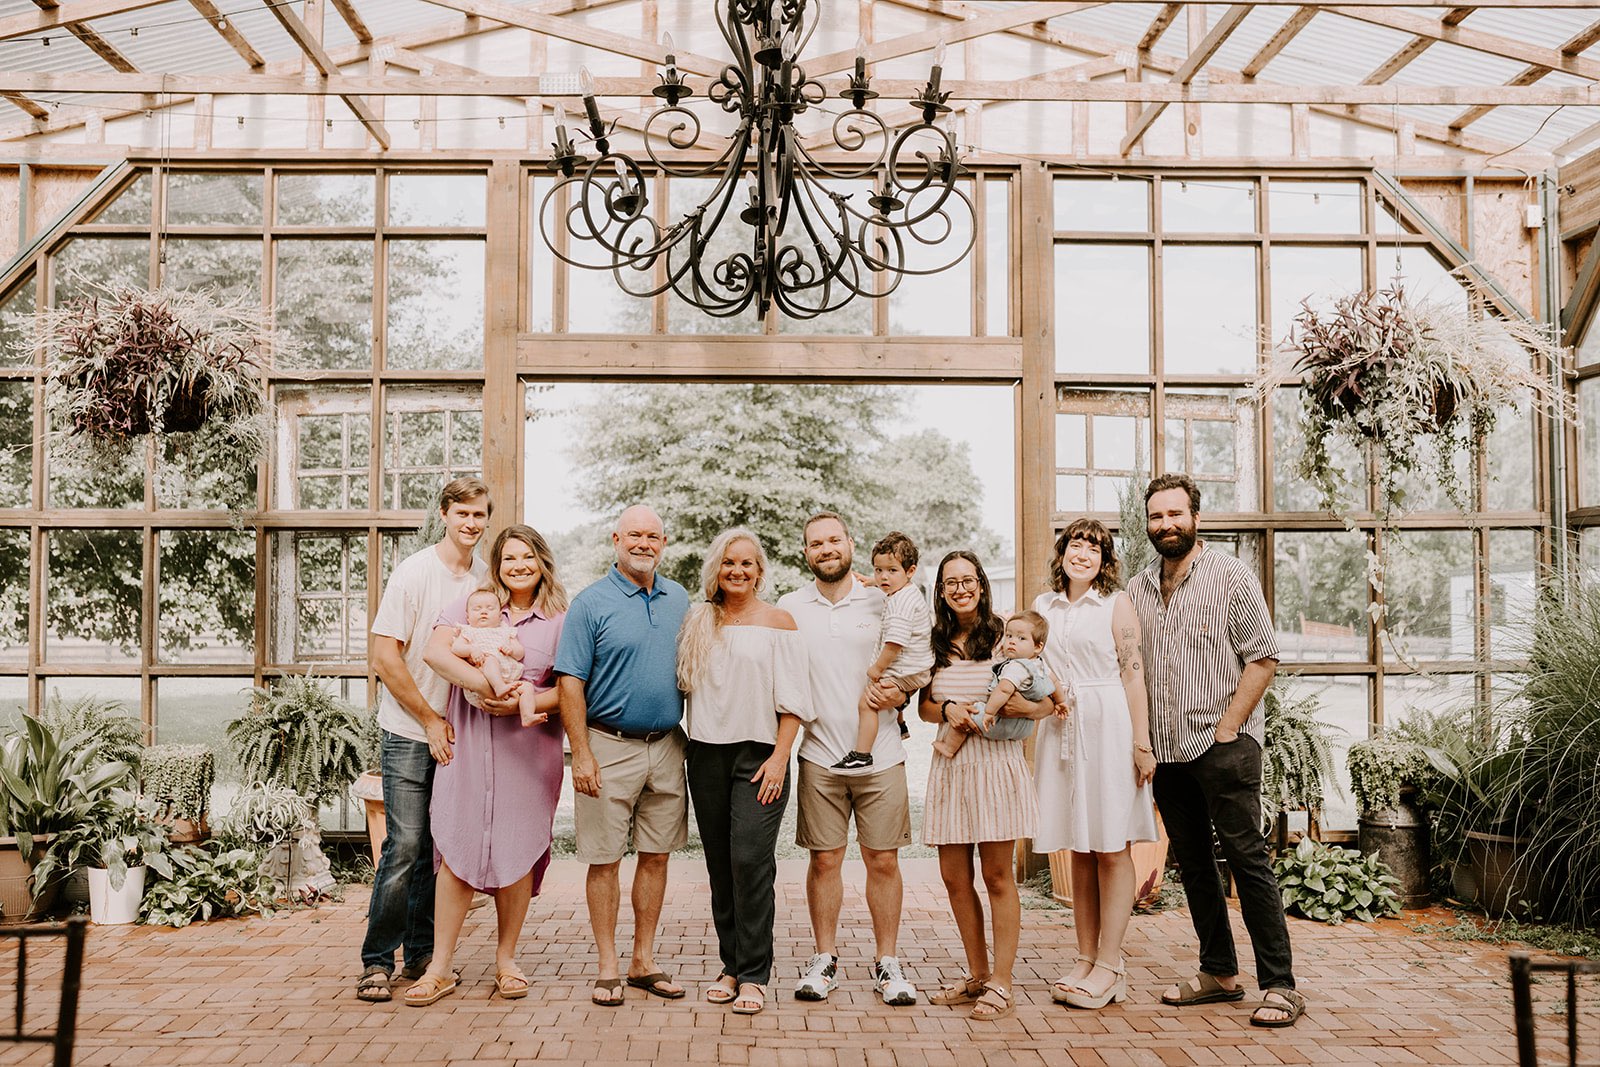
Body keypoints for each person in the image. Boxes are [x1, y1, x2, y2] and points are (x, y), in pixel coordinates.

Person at [1129, 473, 1304, 1028]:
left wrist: (1230, 726)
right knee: (1195, 867)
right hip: (1168, 752)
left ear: (1196, 517)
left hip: (1222, 744)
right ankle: (1220, 973)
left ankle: (1280, 985)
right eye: (1156, 517)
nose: (1166, 525)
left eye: (1175, 514)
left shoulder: (1229, 574)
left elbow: (1263, 656)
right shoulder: (1137, 589)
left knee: (1247, 861)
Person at [403, 525, 568, 1006]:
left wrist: (532, 696)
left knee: (518, 852)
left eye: (527, 557)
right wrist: (483, 683)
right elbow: (435, 652)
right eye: (509, 558)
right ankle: (439, 968)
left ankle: (506, 960)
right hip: (469, 750)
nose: (518, 566)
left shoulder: (561, 619)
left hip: (528, 754)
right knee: (454, 849)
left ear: (542, 562)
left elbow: (574, 688)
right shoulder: (473, 605)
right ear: (496, 565)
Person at [356, 477, 496, 1004]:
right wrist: (431, 720)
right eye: (462, 513)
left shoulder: (485, 578)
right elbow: (384, 658)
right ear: (444, 514)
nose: (471, 523)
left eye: (480, 515)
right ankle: (376, 960)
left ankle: (419, 954)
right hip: (411, 730)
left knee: (437, 851)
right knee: (405, 844)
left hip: (460, 733)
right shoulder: (414, 573)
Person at [777, 512, 919, 1007]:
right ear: (806, 552)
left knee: (883, 860)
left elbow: (916, 659)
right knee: (824, 859)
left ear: (850, 544)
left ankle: (888, 962)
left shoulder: (886, 598)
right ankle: (824, 959)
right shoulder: (791, 606)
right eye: (816, 543)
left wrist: (899, 692)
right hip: (818, 755)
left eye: (834, 540)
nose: (826, 549)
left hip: (881, 755)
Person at [555, 504, 691, 1007]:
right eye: (634, 535)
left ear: (664, 541)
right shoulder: (590, 603)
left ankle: (643, 960)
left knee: (656, 856)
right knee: (605, 859)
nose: (643, 544)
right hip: (607, 745)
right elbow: (570, 681)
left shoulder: (680, 598)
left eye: (652, 536)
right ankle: (608, 964)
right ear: (616, 539)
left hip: (668, 746)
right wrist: (582, 754)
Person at [677, 528, 812, 1016]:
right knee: (719, 865)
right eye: (729, 563)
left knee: (751, 862)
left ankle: (755, 973)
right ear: (717, 567)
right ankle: (730, 965)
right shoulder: (697, 621)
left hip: (760, 755)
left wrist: (780, 757)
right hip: (706, 755)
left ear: (760, 571)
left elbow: (794, 699)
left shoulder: (780, 622)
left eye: (747, 564)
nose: (738, 571)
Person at [919, 550, 1052, 1022]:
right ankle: (976, 975)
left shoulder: (1006, 636)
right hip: (951, 766)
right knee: (955, 877)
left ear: (980, 585)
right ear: (940, 590)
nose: (961, 588)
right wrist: (952, 706)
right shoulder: (933, 641)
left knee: (997, 876)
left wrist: (1007, 711)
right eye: (951, 581)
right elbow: (925, 710)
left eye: (968, 580)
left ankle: (1002, 981)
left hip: (996, 764)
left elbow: (1040, 700)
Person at [1032, 519, 1158, 1011]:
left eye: (1094, 547)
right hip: (1063, 726)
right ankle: (1084, 958)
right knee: (1079, 848)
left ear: (1105, 560)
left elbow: (1133, 676)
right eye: (1075, 544)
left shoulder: (1115, 603)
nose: (1082, 552)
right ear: (1061, 552)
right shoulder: (1044, 606)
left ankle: (1110, 963)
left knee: (1110, 845)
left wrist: (1141, 743)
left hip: (1109, 725)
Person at [834, 531, 932, 769]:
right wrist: (872, 581)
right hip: (919, 665)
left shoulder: (900, 603)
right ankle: (901, 723)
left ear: (910, 571)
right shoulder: (907, 590)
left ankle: (862, 754)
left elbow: (895, 643)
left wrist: (876, 669)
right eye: (879, 570)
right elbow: (887, 579)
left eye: (891, 571)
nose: (883, 577)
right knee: (888, 691)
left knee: (867, 703)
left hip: (909, 668)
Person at [930, 609, 1065, 760]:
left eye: (1021, 638)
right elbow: (1054, 682)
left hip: (999, 722)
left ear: (1038, 647)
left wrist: (989, 712)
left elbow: (1004, 690)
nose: (1012, 641)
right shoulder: (1040, 665)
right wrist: (1061, 702)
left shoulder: (1016, 666)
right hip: (1024, 728)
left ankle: (949, 747)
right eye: (1009, 636)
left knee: (968, 716)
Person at [450, 587, 539, 725]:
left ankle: (527, 715)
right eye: (477, 609)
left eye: (490, 608)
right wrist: (471, 650)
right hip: (482, 683)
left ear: (499, 616)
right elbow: (456, 648)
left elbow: (520, 653)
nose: (483, 611)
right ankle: (498, 687)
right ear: (468, 617)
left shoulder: (505, 631)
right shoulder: (468, 631)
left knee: (527, 687)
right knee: (490, 659)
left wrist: (511, 650)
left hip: (508, 682)